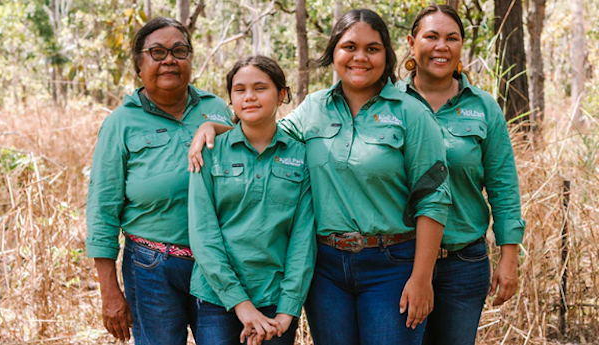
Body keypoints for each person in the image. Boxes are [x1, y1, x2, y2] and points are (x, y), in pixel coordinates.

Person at [188, 9, 451, 344]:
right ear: (334, 53)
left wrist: (422, 276)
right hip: (327, 268)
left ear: (387, 54)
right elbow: (264, 132)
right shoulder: (314, 108)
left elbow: (433, 197)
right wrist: (212, 129)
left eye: (372, 48)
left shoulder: (411, 113)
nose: (360, 57)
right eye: (349, 46)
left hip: (391, 265)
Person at [85, 17, 231, 344]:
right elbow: (102, 210)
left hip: (217, 266)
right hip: (151, 268)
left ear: (191, 59)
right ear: (139, 64)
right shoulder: (120, 123)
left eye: (179, 51)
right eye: (157, 52)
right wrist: (109, 292)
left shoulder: (217, 109)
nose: (169, 60)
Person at [396, 4, 525, 345]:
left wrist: (508, 256)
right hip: (398, 260)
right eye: (431, 37)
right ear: (412, 43)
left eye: (452, 38)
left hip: (464, 261)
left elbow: (502, 185)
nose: (442, 46)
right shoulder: (388, 103)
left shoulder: (483, 107)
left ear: (461, 47)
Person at [188, 55, 316, 345]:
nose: (249, 97)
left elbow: (302, 239)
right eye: (239, 89)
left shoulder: (302, 156)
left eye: (260, 88)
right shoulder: (209, 152)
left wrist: (288, 308)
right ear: (230, 98)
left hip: (275, 298)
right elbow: (203, 233)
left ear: (282, 94)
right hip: (216, 297)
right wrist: (240, 303)